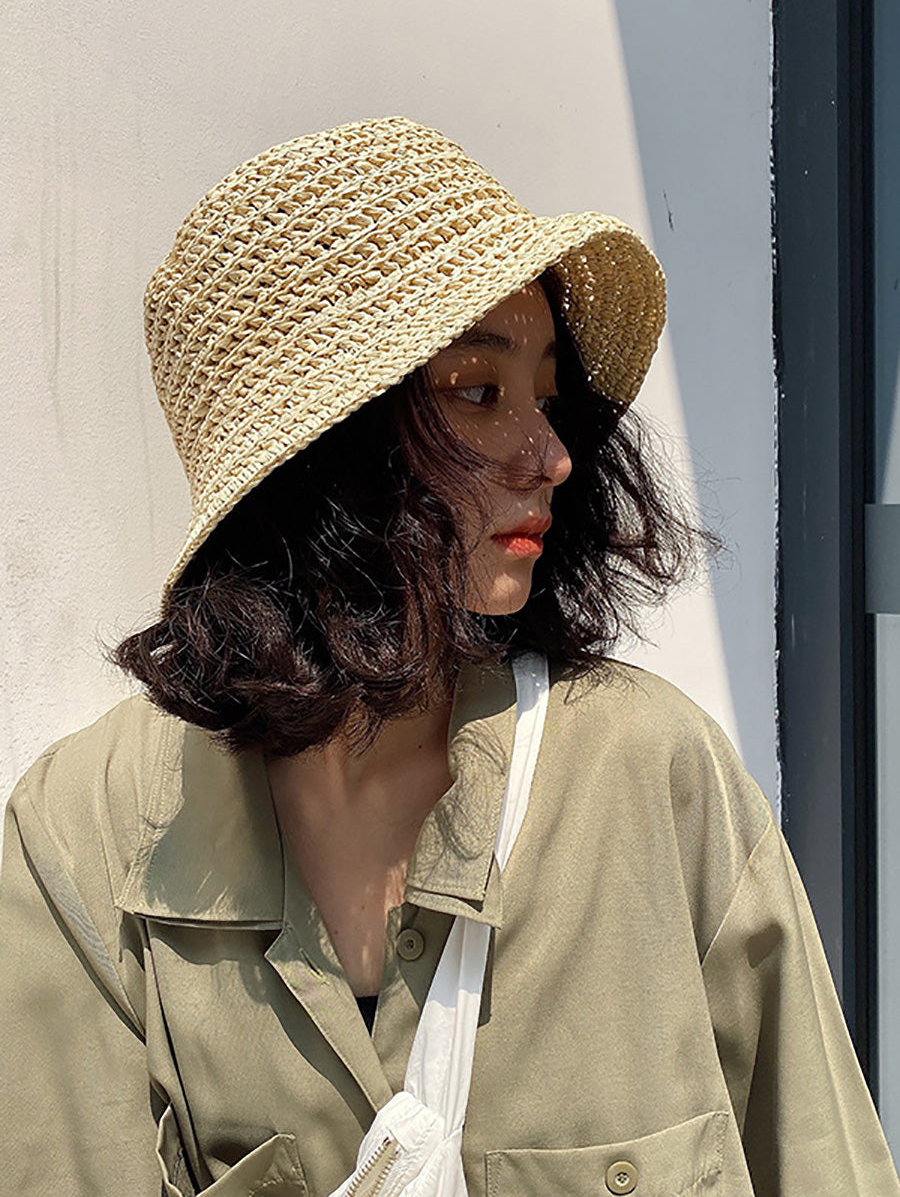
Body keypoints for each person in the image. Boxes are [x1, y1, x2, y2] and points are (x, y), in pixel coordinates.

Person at [0, 117, 897, 1197]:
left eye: (548, 397)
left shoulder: (657, 781)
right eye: (478, 391)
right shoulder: (88, 839)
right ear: (327, 447)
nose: (553, 457)